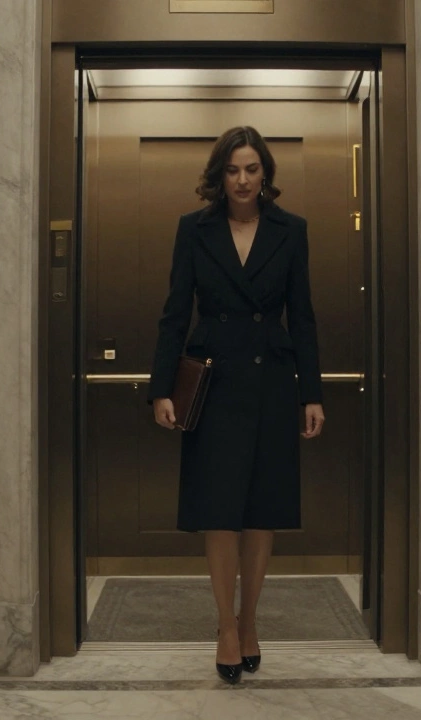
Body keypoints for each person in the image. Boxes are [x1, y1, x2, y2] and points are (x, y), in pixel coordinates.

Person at [148, 126, 325, 684]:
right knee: (219, 511)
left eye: (252, 169)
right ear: (218, 175)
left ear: (265, 174)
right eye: (232, 170)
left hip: (272, 381)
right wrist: (160, 388)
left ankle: (251, 620)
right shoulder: (193, 230)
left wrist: (311, 392)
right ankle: (226, 625)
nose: (243, 180)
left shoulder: (290, 231)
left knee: (262, 511)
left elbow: (304, 314)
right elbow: (175, 312)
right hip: (216, 384)